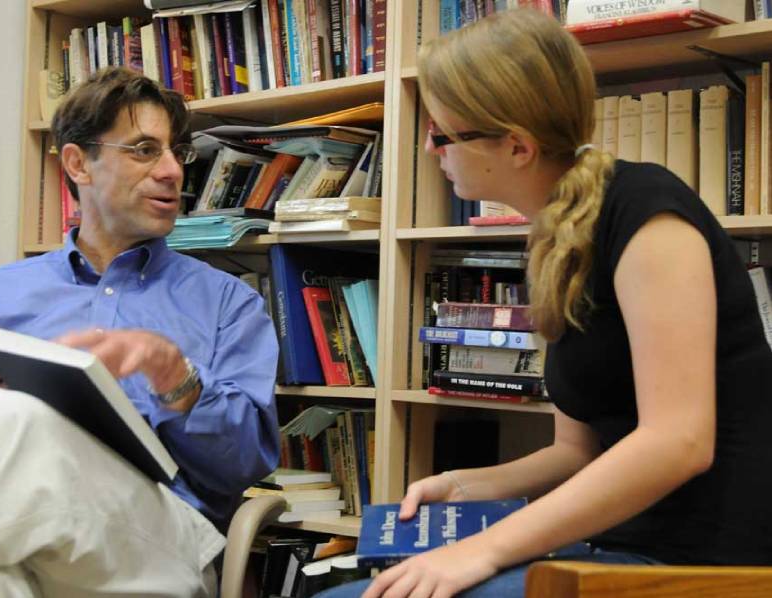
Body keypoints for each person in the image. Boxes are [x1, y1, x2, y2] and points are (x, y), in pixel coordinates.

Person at [317, 8, 772, 598]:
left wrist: (480, 552)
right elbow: (575, 452)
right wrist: (461, 487)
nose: (432, 151)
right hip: (617, 547)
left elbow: (678, 441)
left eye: (441, 134)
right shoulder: (560, 236)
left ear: (517, 146)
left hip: (703, 562)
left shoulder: (649, 215)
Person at [0, 67, 280, 597]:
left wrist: (179, 381)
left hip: (158, 539)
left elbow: (244, 466)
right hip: (14, 530)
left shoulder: (231, 303)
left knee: (13, 416)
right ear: (76, 163)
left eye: (176, 152)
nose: (172, 171)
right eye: (143, 150)